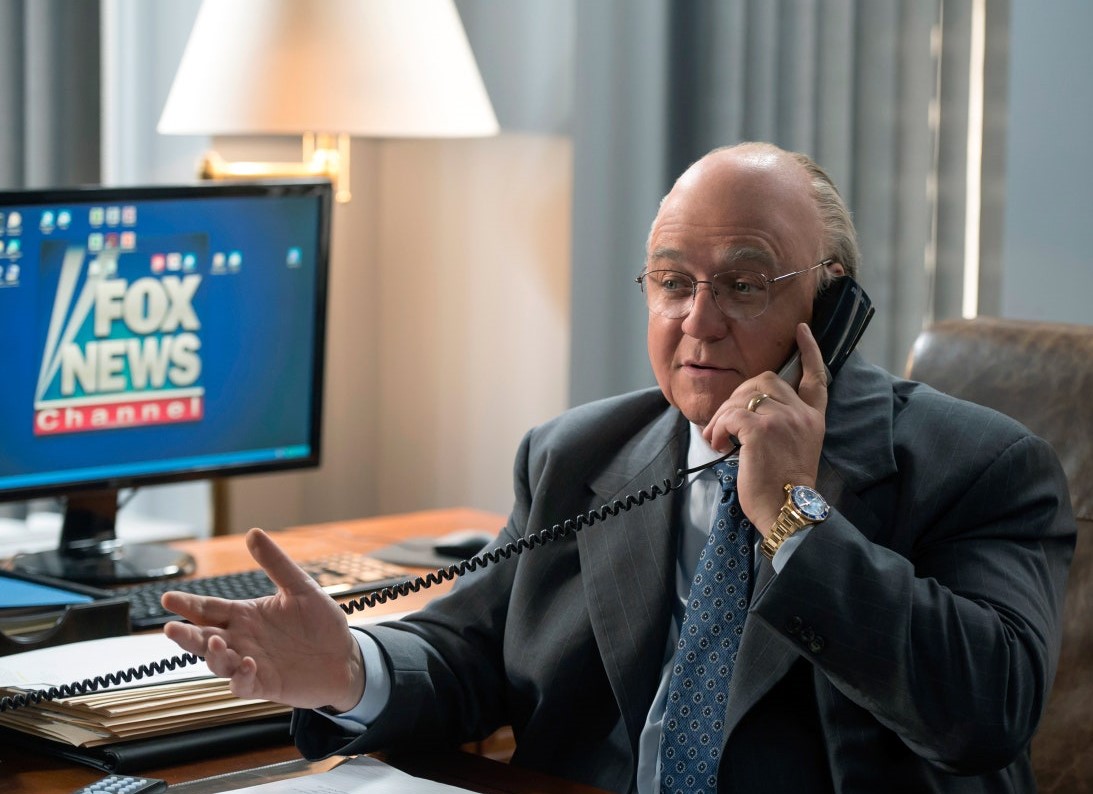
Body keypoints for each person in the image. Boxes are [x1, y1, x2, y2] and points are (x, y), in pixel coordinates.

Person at [163, 142, 1075, 793]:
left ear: (831, 303)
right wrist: (349, 668)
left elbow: (983, 715)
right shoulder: (576, 455)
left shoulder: (982, 466)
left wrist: (791, 513)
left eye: (743, 283)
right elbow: (470, 653)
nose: (698, 321)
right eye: (672, 282)